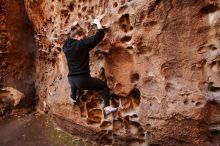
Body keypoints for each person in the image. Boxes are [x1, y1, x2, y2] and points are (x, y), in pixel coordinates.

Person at [63, 19, 117, 115]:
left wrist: (74, 25)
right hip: (82, 80)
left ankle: (73, 98)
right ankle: (107, 107)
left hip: (71, 79)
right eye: (82, 36)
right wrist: (98, 23)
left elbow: (68, 35)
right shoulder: (81, 44)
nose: (83, 38)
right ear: (77, 36)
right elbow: (98, 37)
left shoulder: (66, 46)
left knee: (74, 86)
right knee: (104, 86)